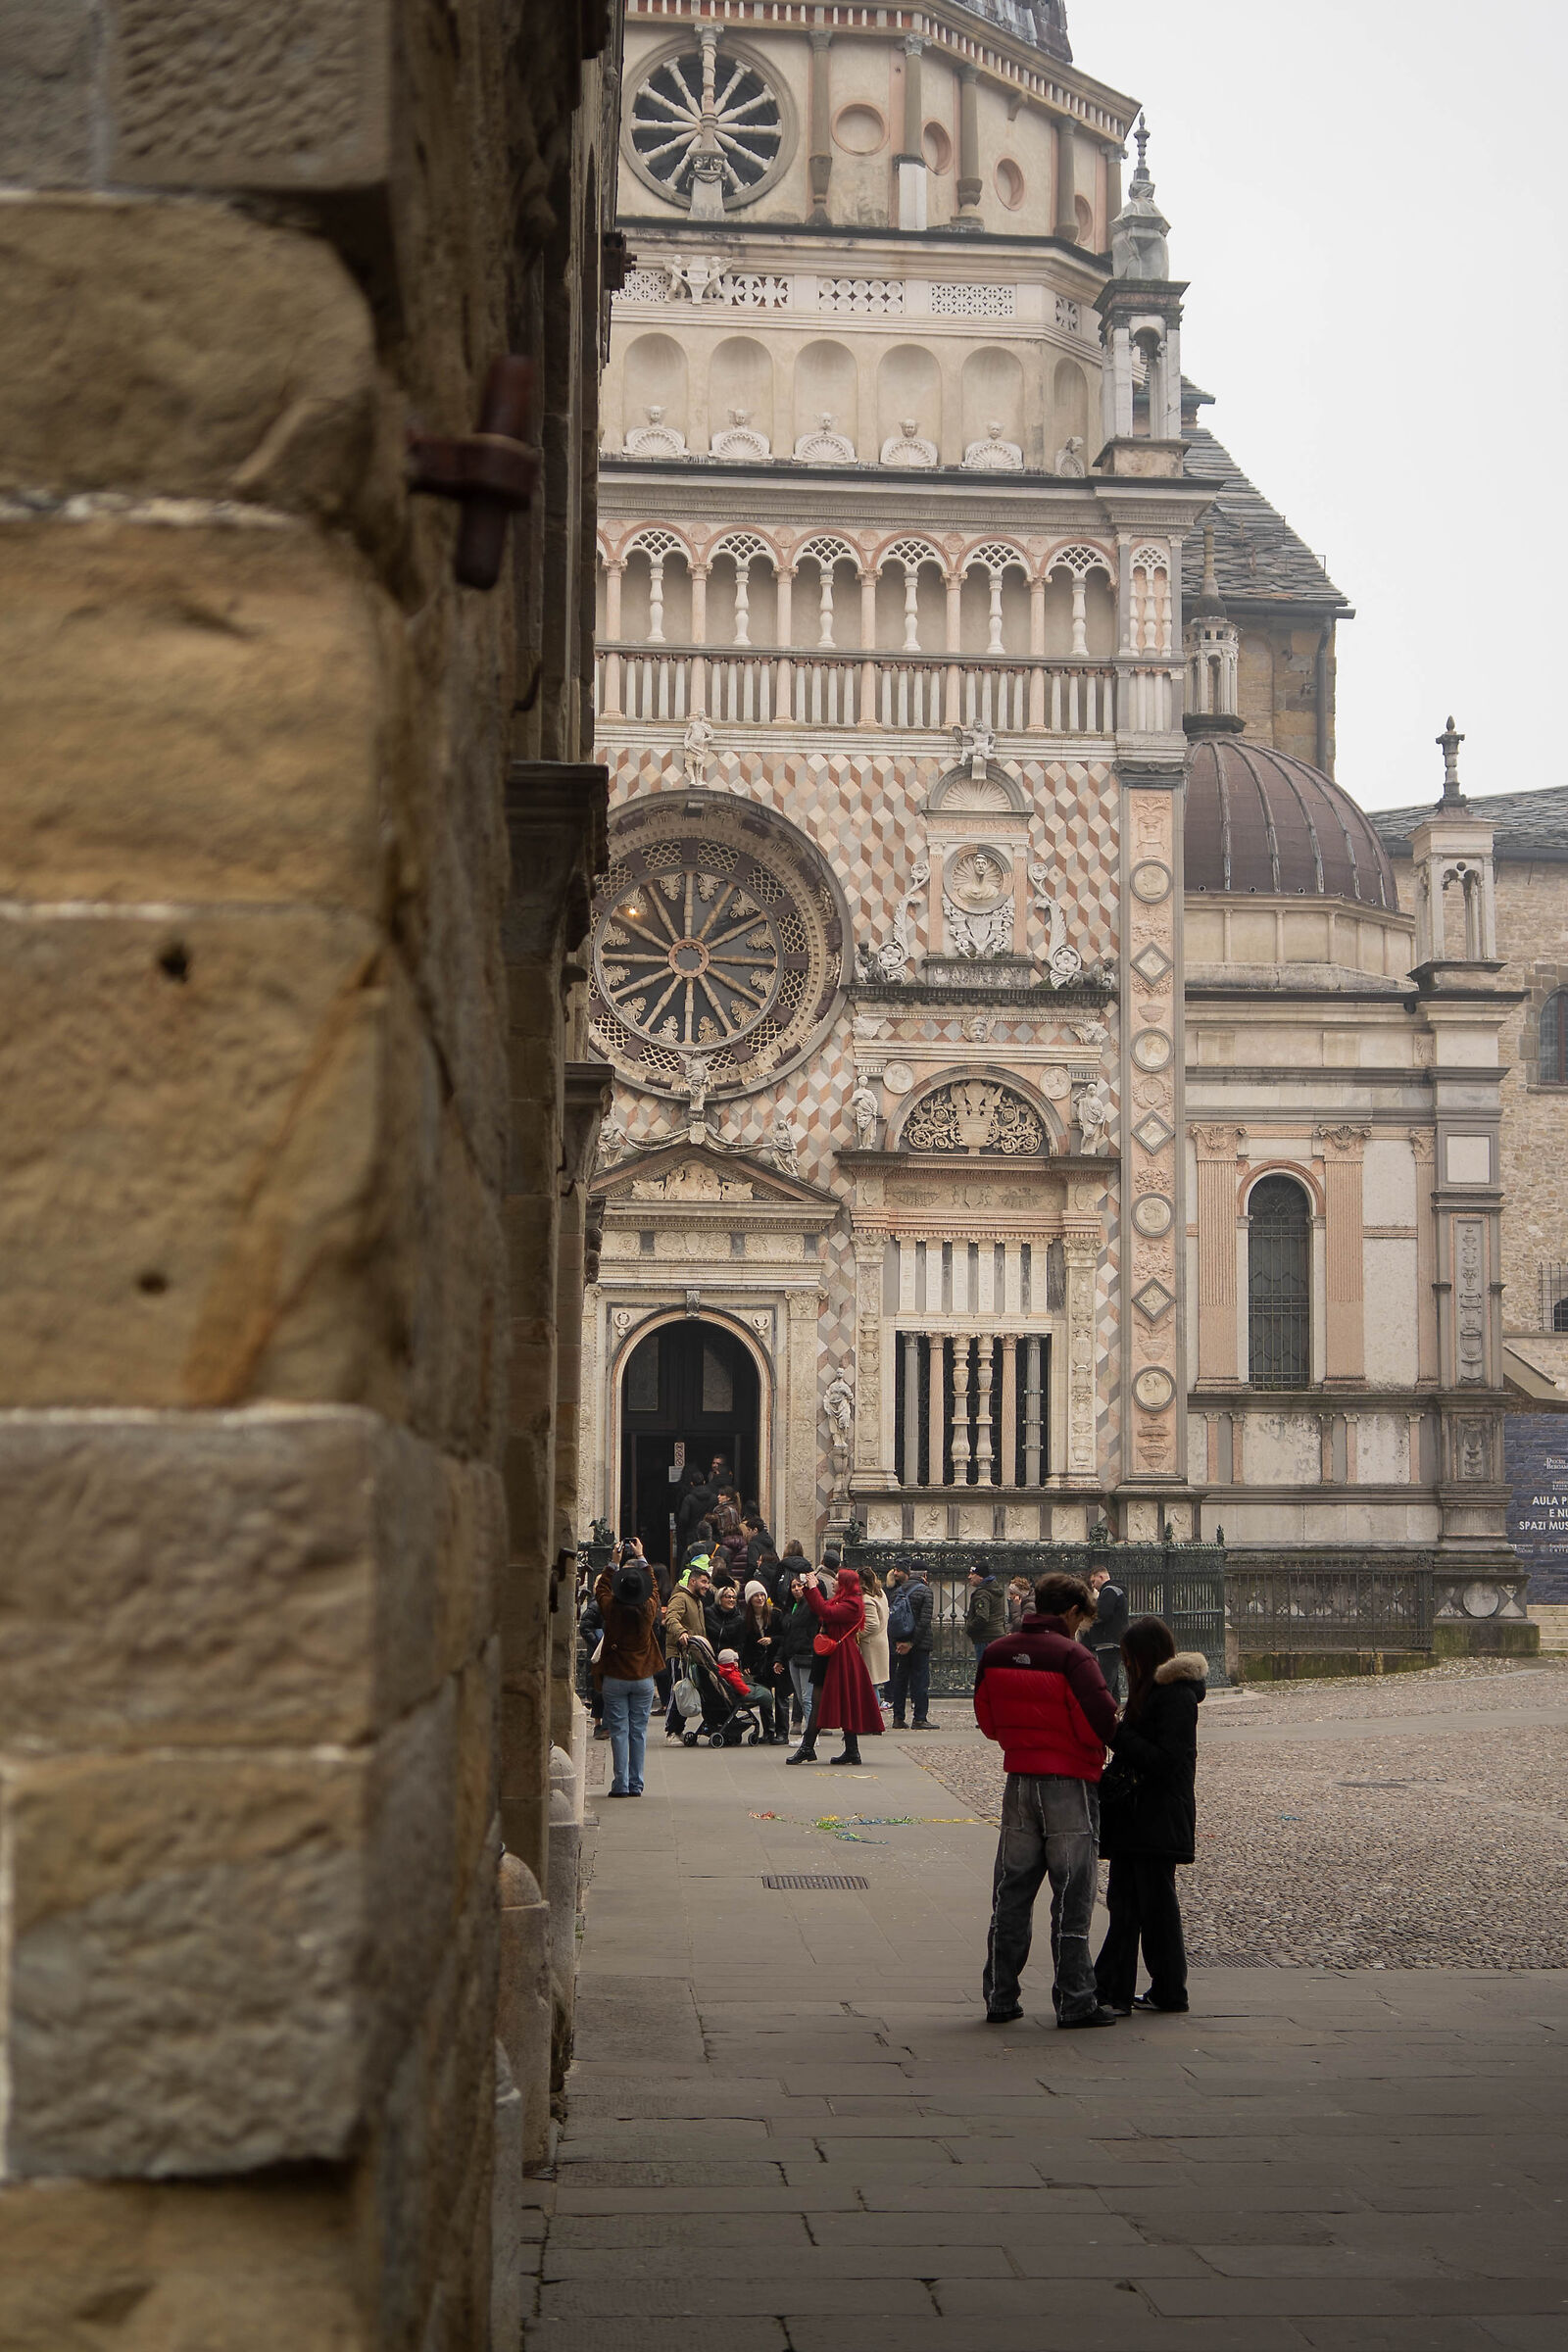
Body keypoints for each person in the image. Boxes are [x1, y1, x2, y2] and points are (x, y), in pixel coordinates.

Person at [972, 1571, 1122, 2030]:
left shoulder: (997, 1653)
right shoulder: (1074, 1657)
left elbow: (987, 1718)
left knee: (1011, 1893)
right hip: (1069, 1785)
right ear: (1072, 1612)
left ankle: (1000, 1995)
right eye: (1083, 1618)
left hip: (1019, 1779)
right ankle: (1075, 1999)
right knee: (1072, 1894)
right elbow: (1098, 1721)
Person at [1095, 1618, 1205, 2016]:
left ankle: (1114, 1989)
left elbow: (1167, 1761)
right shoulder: (1159, 1692)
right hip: (1141, 1816)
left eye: (1129, 1660)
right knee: (1140, 1905)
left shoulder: (1174, 1696)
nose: (1126, 1667)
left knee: (1140, 1907)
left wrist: (1118, 1735)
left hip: (1154, 1815)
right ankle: (1161, 1989)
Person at [788, 1564, 884, 1765]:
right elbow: (821, 1610)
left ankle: (814, 1748)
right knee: (822, 1700)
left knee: (829, 1700)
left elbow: (825, 1611)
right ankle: (847, 1750)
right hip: (830, 1654)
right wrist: (808, 1588)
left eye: (838, 1579)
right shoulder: (842, 1600)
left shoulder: (853, 1604)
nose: (834, 1582)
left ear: (847, 1583)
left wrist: (813, 1588)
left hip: (840, 1656)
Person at [594, 1554, 663, 1797]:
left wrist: (612, 1562)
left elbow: (601, 1589)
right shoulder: (649, 1608)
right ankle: (637, 1783)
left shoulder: (612, 1608)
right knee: (638, 1731)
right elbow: (655, 1588)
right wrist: (644, 1557)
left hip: (616, 1676)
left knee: (619, 1731)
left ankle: (621, 1783)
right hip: (643, 1677)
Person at [662, 1561, 713, 1740]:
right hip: (678, 1654)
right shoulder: (681, 1598)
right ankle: (672, 1731)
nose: (706, 1586)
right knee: (679, 1691)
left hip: (692, 1654)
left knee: (686, 1691)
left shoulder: (696, 1600)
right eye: (704, 1581)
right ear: (693, 1581)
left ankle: (678, 1728)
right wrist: (681, 1633)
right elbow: (671, 1618)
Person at [885, 1556, 934, 1730]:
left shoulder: (899, 1590)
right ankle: (920, 1718)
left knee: (901, 1679)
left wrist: (900, 1642)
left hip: (901, 1642)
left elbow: (893, 1619)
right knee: (920, 1680)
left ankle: (898, 1717)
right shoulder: (925, 1591)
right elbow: (924, 1621)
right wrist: (912, 1643)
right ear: (925, 1574)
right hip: (919, 1644)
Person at [775, 1566, 819, 1732]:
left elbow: (818, 1603)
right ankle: (810, 1733)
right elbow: (786, 1635)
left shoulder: (809, 1605)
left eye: (800, 1585)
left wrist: (812, 1581)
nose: (796, 1589)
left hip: (807, 1654)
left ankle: (811, 1735)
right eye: (793, 1586)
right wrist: (780, 1658)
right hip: (793, 1656)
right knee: (800, 1697)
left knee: (807, 1697)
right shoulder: (790, 1607)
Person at [1085, 1564, 1131, 1701]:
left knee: (1106, 1682)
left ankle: (1106, 1711)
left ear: (1101, 1577)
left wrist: (1088, 1617)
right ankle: (1115, 1709)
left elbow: (1102, 1613)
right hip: (1115, 1641)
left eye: (1094, 1581)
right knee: (1113, 1681)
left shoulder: (1109, 1591)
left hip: (1108, 1642)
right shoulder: (1117, 1590)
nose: (1093, 1586)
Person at [714, 1646, 779, 1740]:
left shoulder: (721, 1670)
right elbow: (740, 1687)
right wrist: (748, 1691)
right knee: (764, 1693)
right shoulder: (731, 1673)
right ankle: (771, 1728)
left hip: (732, 1693)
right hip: (739, 1695)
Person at [857, 1561, 891, 1705]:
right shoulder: (880, 1593)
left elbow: (872, 1624)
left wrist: (857, 1634)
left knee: (870, 1685)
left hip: (871, 1646)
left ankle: (873, 1720)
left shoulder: (867, 1599)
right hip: (880, 1642)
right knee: (872, 1684)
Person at [963, 1564, 1008, 1664]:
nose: (969, 1577)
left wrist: (969, 1628)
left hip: (985, 1638)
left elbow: (982, 1617)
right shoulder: (995, 1589)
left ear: (980, 1576)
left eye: (972, 1574)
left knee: (984, 1672)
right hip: (997, 1635)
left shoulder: (982, 1593)